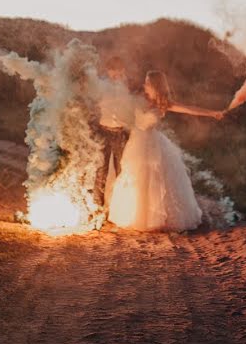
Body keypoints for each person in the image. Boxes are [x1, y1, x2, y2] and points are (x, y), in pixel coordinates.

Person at [107, 70, 224, 231]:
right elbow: (122, 102)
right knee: (136, 178)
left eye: (148, 83)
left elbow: (189, 109)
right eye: (145, 82)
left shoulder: (164, 103)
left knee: (157, 180)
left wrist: (212, 113)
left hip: (152, 144)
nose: (144, 85)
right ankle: (137, 215)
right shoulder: (140, 99)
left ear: (155, 85)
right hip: (137, 142)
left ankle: (156, 218)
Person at [93, 56, 133, 211]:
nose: (115, 73)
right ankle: (97, 205)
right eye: (112, 69)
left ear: (123, 70)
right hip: (103, 130)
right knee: (101, 169)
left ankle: (121, 207)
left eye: (119, 69)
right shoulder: (100, 85)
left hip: (121, 132)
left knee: (121, 170)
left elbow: (132, 106)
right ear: (107, 70)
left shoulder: (128, 86)